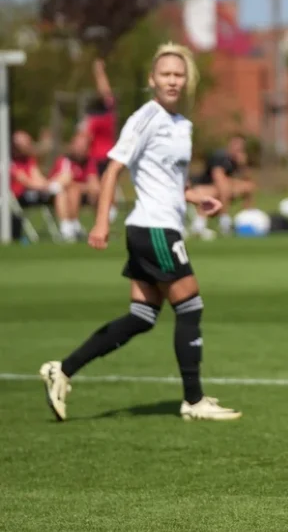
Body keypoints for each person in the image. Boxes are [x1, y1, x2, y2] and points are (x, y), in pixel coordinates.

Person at [38, 43, 240, 422]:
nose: (172, 81)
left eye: (178, 75)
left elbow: (171, 181)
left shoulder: (182, 125)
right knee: (190, 306)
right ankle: (194, 401)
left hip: (160, 225)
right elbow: (113, 169)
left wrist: (196, 198)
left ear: (186, 81)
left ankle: (62, 370)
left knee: (142, 316)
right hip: (154, 228)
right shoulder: (146, 118)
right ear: (152, 79)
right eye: (166, 74)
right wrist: (101, 222)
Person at [188, 134, 255, 237]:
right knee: (224, 187)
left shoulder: (237, 159)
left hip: (221, 187)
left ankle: (247, 218)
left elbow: (248, 179)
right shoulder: (220, 156)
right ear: (230, 144)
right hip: (201, 186)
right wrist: (231, 185)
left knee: (248, 186)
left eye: (241, 146)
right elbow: (218, 178)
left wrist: (243, 165)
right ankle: (221, 221)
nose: (238, 148)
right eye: (236, 145)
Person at [9, 129, 73, 237]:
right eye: (26, 144)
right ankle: (67, 229)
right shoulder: (11, 162)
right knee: (60, 190)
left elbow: (37, 177)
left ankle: (68, 228)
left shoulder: (29, 160)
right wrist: (47, 186)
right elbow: (26, 182)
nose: (29, 146)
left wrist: (47, 184)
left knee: (65, 180)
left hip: (37, 191)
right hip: (21, 196)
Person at [51, 127, 101, 241]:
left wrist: (84, 187)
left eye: (83, 146)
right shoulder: (64, 161)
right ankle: (69, 227)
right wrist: (80, 187)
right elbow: (60, 182)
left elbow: (94, 184)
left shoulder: (89, 161)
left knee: (79, 190)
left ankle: (78, 226)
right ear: (72, 146)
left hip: (81, 195)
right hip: (58, 195)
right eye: (78, 146)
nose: (80, 149)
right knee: (68, 191)